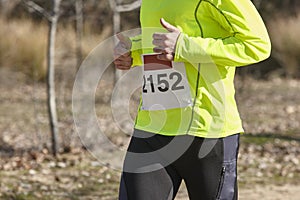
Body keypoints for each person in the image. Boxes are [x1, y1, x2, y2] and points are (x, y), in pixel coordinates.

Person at [114, 0, 271, 199]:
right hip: (152, 127)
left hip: (206, 131)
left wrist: (185, 46)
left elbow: (257, 45)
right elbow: (160, 40)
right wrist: (133, 52)